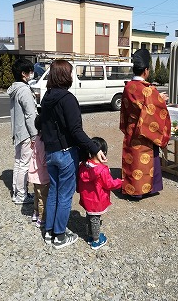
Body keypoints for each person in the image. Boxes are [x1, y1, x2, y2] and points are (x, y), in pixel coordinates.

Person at [40, 59, 107, 250]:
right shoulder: (67, 99)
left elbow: (42, 123)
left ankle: (49, 231)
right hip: (65, 153)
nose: (71, 76)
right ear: (64, 76)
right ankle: (59, 236)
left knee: (53, 191)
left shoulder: (47, 96)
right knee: (65, 195)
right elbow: (76, 130)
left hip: (51, 152)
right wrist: (94, 149)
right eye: (70, 73)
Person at [120, 49, 171, 198]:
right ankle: (144, 190)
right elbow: (152, 109)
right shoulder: (148, 90)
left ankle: (131, 189)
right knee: (145, 161)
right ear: (146, 71)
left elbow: (128, 107)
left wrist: (157, 98)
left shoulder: (128, 86)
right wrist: (160, 99)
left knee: (132, 159)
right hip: (145, 131)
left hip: (131, 129)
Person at [78, 137, 122, 250]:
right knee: (95, 219)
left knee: (88, 216)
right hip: (97, 200)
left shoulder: (83, 165)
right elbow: (109, 184)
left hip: (86, 199)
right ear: (103, 152)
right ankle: (96, 240)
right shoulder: (102, 170)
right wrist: (120, 182)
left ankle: (89, 235)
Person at [7, 58, 37, 204]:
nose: (32, 74)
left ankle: (17, 192)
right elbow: (30, 114)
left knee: (19, 163)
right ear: (24, 74)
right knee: (24, 164)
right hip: (25, 132)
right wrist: (34, 135)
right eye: (30, 71)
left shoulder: (15, 88)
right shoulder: (24, 90)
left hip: (18, 131)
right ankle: (21, 195)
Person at [28, 114, 50, 228]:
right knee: (43, 198)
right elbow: (43, 160)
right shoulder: (43, 141)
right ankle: (42, 218)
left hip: (35, 174)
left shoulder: (37, 137)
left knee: (37, 196)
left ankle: (35, 213)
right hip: (42, 175)